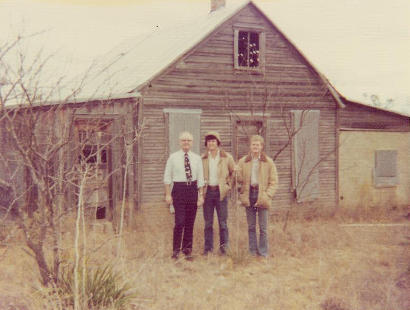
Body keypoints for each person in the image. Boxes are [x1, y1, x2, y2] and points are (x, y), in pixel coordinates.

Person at [164, 131, 204, 260]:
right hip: (179, 190)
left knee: (189, 222)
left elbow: (201, 178)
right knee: (179, 221)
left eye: (188, 140)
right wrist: (168, 194)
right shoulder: (173, 157)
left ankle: (187, 250)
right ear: (180, 142)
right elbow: (167, 177)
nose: (186, 142)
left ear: (192, 143)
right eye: (183, 140)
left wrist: (201, 195)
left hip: (192, 189)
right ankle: (175, 250)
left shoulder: (197, 158)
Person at [237, 135, 278, 257]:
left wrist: (267, 195)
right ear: (250, 146)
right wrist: (235, 173)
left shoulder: (268, 162)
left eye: (258, 145)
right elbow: (238, 180)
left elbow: (274, 182)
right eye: (253, 144)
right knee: (251, 226)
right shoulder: (243, 161)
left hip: (262, 195)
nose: (255, 147)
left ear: (261, 146)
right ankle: (252, 251)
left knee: (263, 227)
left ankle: (263, 252)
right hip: (249, 194)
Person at [201, 131, 235, 255]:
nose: (211, 143)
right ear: (206, 144)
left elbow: (233, 173)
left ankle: (224, 248)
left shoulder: (227, 157)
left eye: (213, 141)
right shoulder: (203, 158)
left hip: (221, 193)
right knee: (208, 223)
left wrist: (227, 186)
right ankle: (208, 249)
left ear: (218, 143)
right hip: (208, 193)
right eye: (209, 141)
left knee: (223, 222)